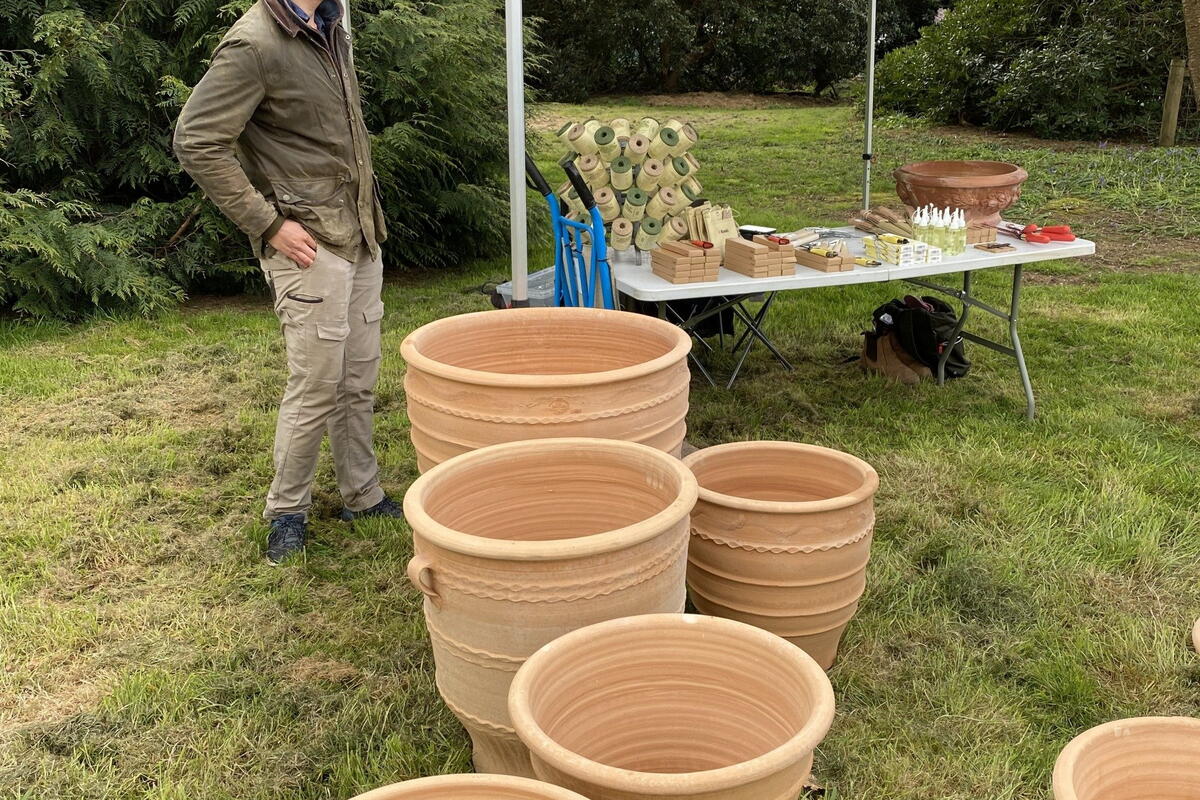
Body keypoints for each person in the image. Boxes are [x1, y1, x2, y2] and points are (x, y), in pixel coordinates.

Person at [173, 0, 402, 565]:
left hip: (359, 233)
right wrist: (268, 224)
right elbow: (197, 139)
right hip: (309, 246)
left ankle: (362, 494)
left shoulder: (332, 22)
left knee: (358, 378)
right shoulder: (255, 43)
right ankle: (287, 513)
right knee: (317, 384)